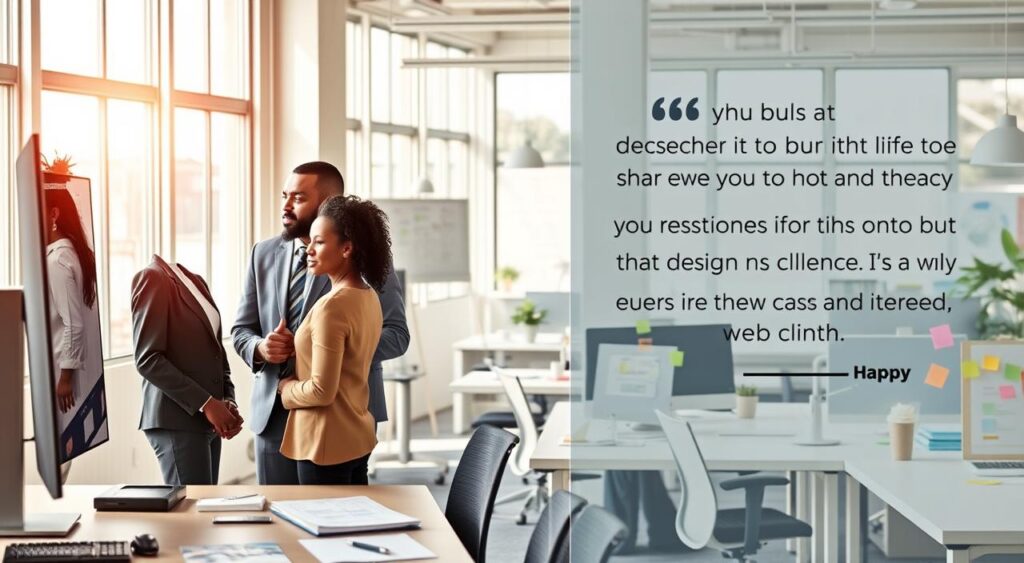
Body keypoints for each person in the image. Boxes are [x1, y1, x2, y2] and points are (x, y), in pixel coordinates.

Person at [232, 161, 409, 485]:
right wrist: (261, 347)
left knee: (333, 519)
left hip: (341, 413)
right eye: (285, 195)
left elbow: (397, 334)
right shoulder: (263, 253)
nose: (285, 205)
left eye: (298, 198)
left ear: (328, 203)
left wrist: (332, 354)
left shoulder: (363, 259)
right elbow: (241, 330)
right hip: (274, 410)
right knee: (276, 520)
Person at [277, 195, 391, 484]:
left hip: (324, 443)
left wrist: (285, 389)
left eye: (319, 242)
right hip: (356, 435)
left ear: (347, 248)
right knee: (351, 527)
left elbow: (321, 391)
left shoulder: (332, 306)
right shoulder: (368, 297)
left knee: (325, 528)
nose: (308, 251)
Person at [131, 255, 243, 485]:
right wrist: (207, 403)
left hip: (207, 419)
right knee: (189, 511)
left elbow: (215, 351)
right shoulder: (152, 278)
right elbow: (147, 359)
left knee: (204, 509)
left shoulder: (197, 282)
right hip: (176, 419)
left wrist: (227, 400)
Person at [44, 187, 103, 461]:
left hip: (59, 371)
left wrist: (65, 378)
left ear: (54, 213)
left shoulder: (57, 259)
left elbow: (74, 324)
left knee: (58, 457)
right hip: (62, 367)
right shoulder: (72, 252)